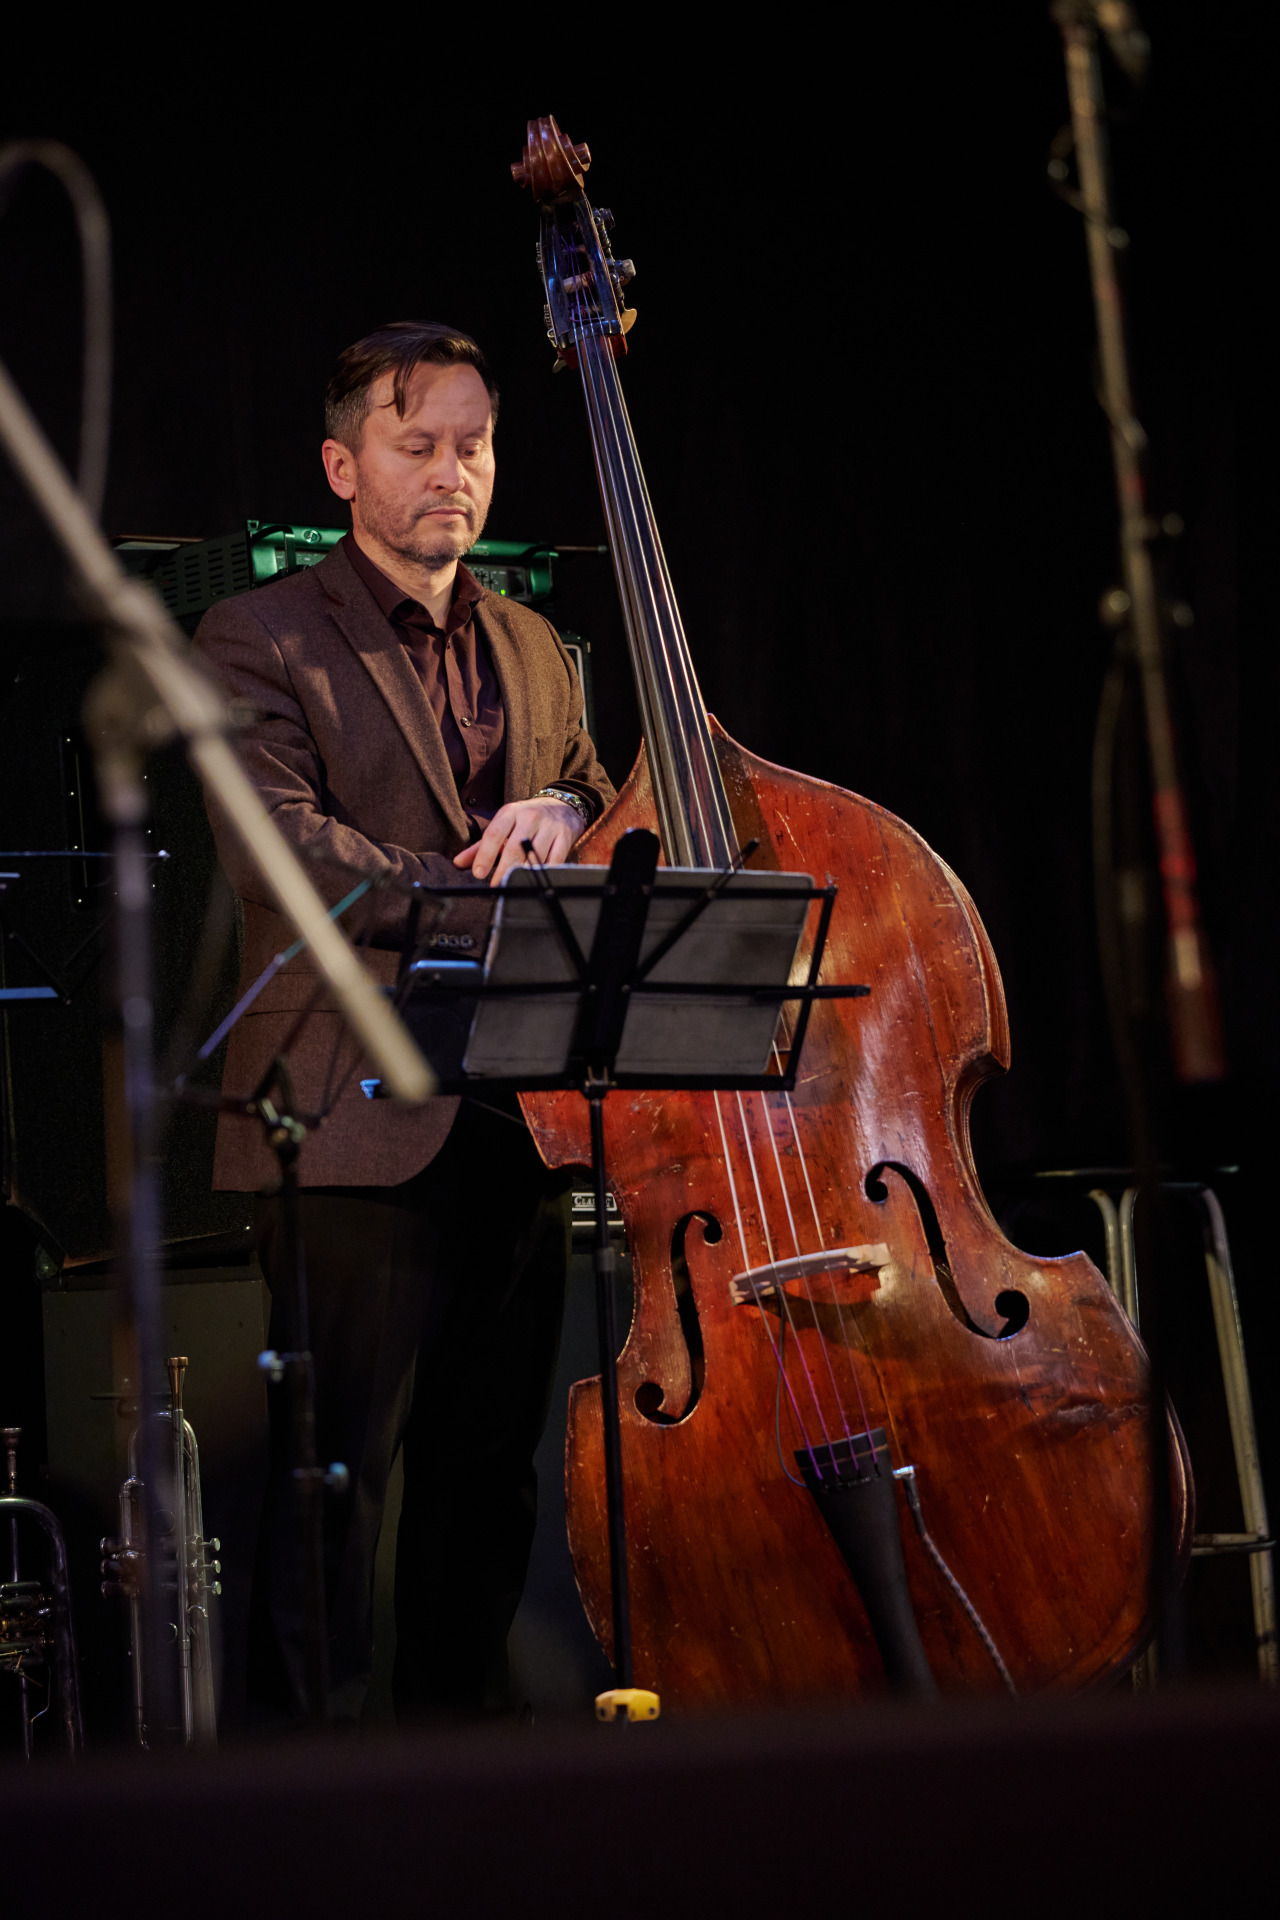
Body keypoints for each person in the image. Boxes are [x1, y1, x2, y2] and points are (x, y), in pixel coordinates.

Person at [193, 320, 615, 1725]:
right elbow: (286, 854)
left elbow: (610, 816)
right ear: (341, 465)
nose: (452, 471)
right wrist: (477, 878)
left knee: (485, 1476)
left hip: (517, 1104)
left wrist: (566, 813)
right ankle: (307, 1802)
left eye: (473, 443)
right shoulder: (256, 634)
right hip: (345, 1116)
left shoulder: (536, 643)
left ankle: (465, 1776)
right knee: (331, 1486)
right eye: (415, 442)